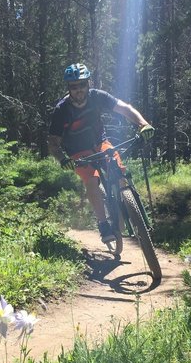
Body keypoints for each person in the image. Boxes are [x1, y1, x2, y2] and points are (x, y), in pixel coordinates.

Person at [48, 63, 154, 243]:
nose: (79, 89)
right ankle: (103, 223)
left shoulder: (97, 96)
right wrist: (62, 159)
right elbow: (53, 143)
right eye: (74, 87)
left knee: (120, 173)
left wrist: (143, 124)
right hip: (77, 152)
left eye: (82, 84)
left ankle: (127, 208)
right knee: (91, 181)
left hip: (100, 143)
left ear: (88, 84)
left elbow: (125, 108)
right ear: (69, 88)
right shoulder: (62, 110)